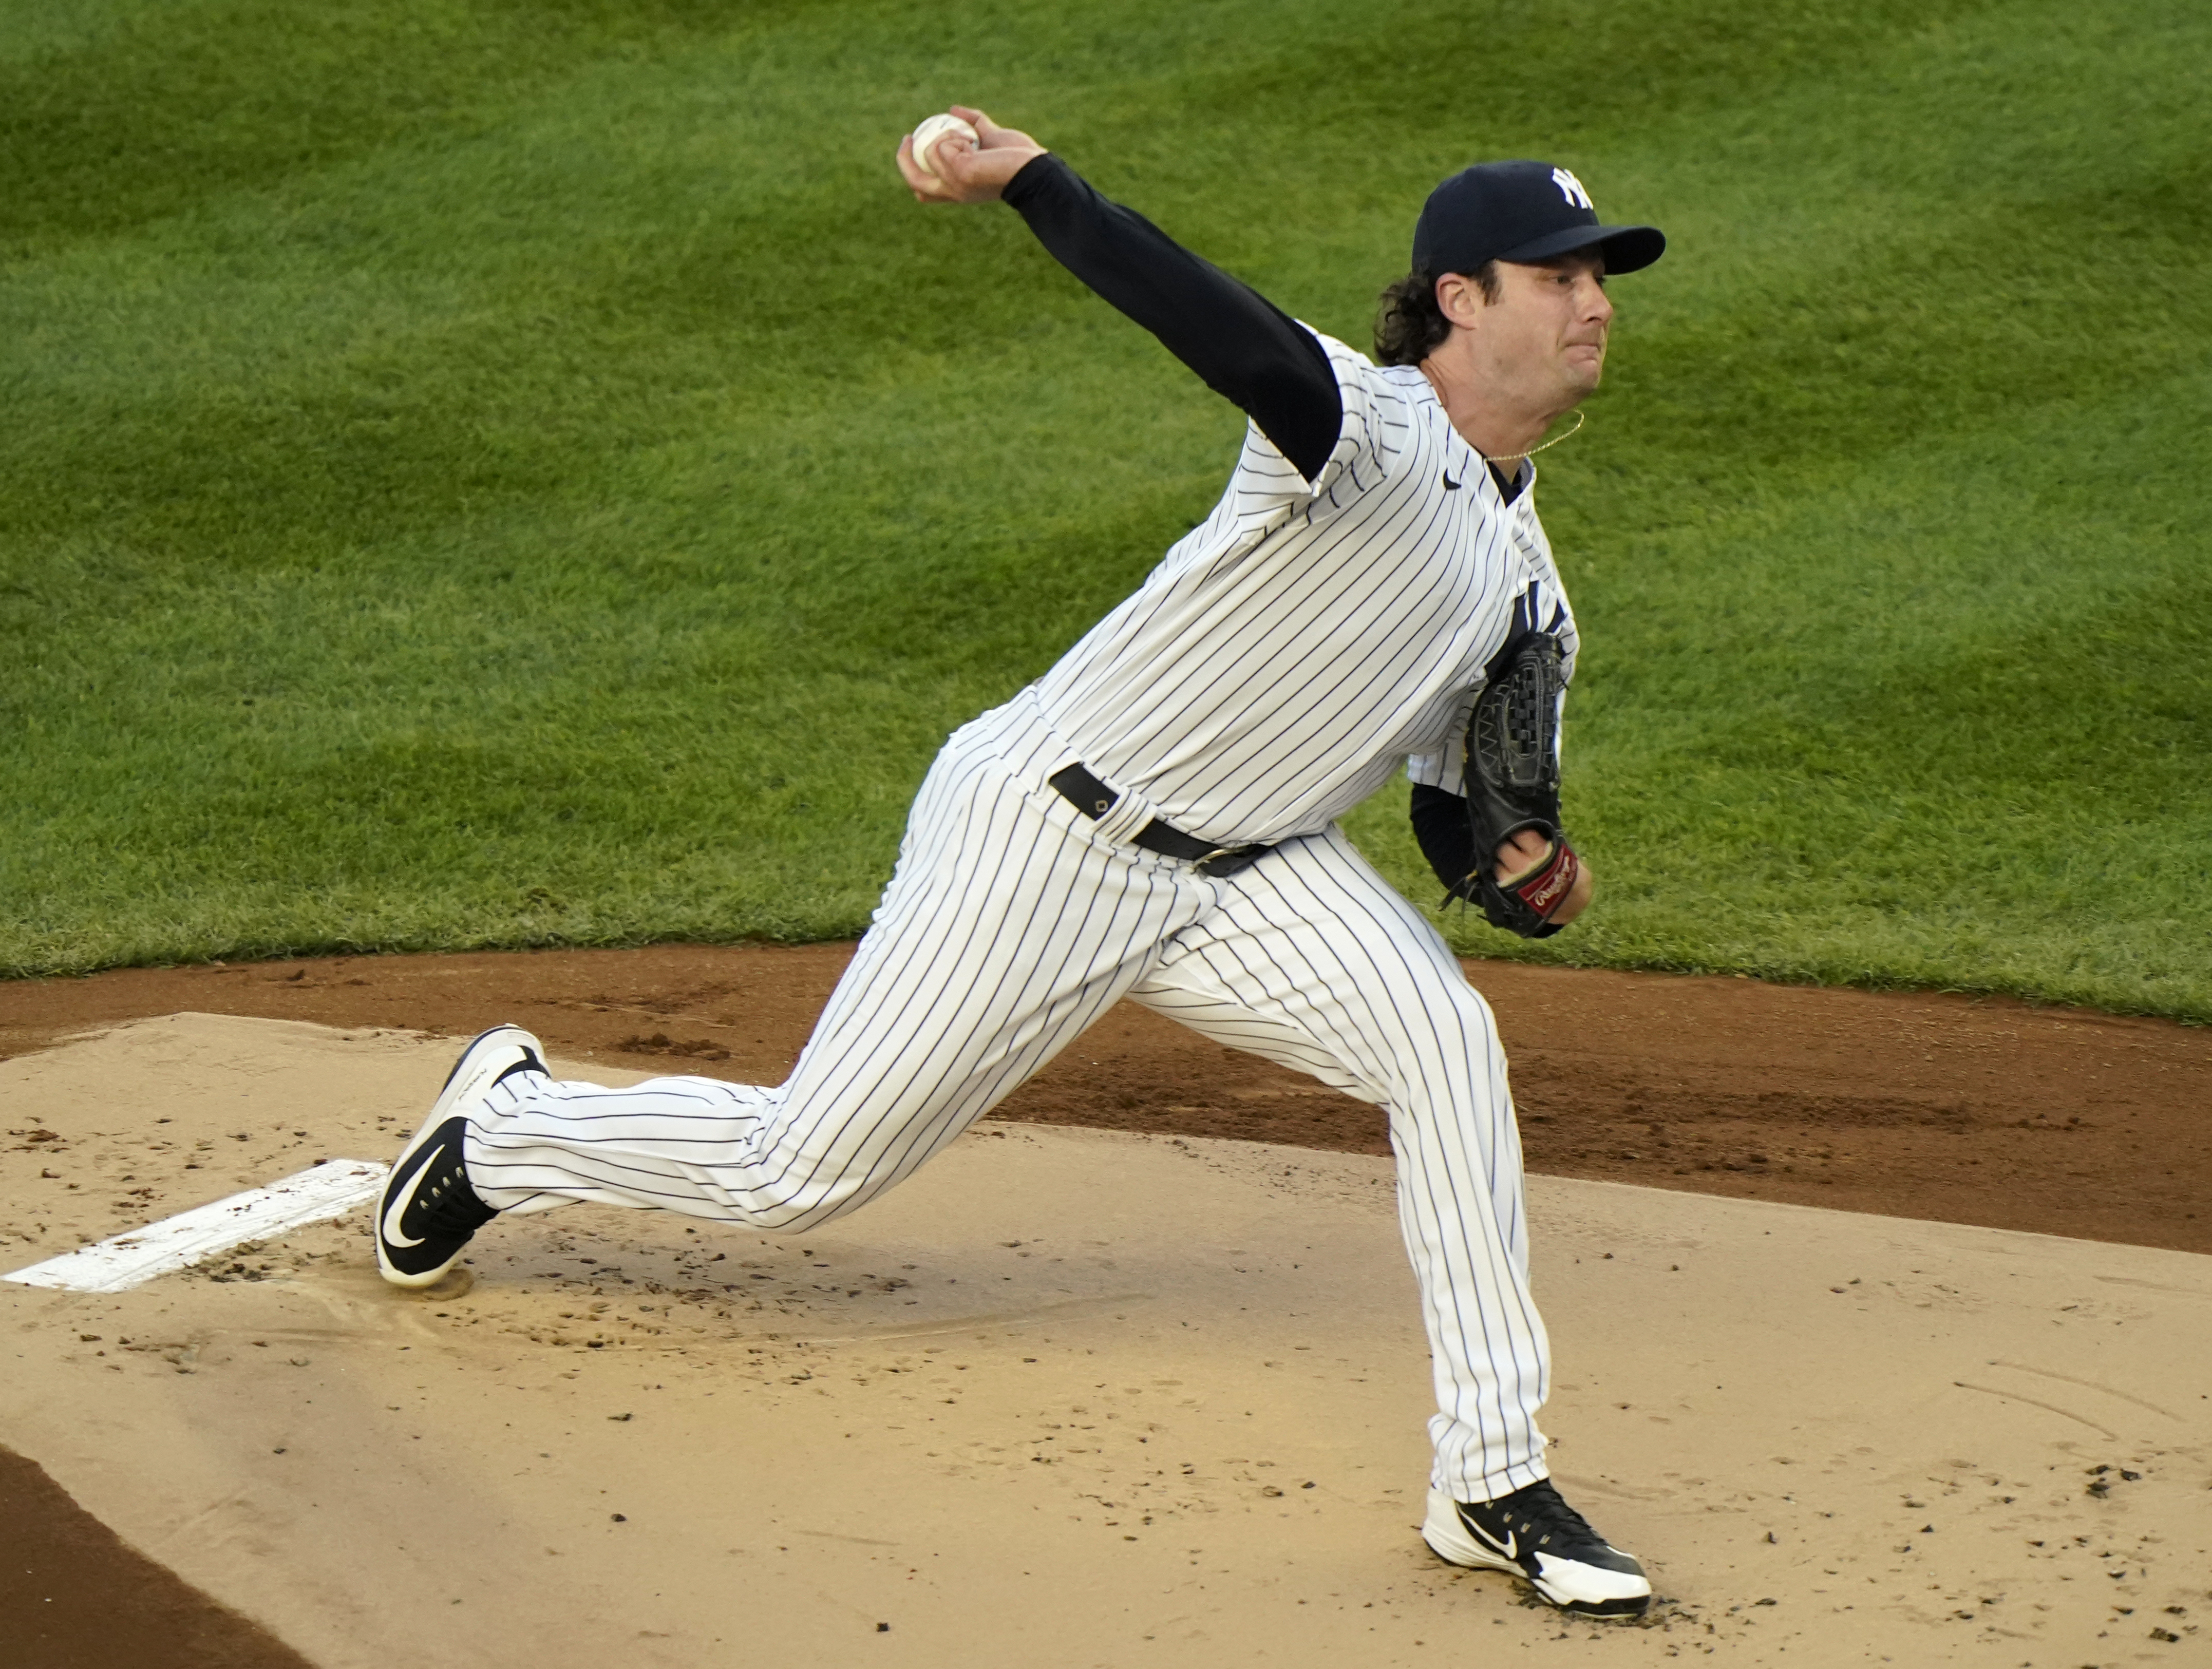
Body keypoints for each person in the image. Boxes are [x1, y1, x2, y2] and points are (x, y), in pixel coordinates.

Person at [374, 107, 1664, 1618]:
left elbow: (1465, 799)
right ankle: (504, 1134)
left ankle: (1489, 1476)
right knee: (802, 1172)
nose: (1594, 301)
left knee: (1447, 1043)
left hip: (1255, 874)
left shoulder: (1531, 588)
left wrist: (1516, 860)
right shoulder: (1361, 427)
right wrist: (1034, 181)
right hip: (1049, 832)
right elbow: (1212, 323)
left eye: (1600, 276)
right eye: (1558, 274)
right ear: (1460, 299)